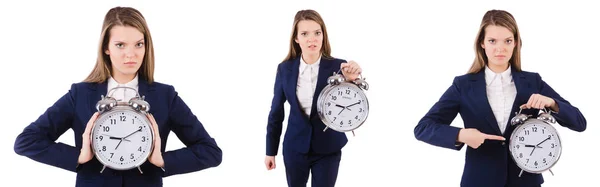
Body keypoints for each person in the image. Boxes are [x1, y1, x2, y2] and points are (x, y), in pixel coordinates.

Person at [13, 6, 222, 187]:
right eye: (120, 45)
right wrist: (79, 157)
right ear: (106, 48)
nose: (130, 54)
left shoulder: (165, 96)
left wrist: (162, 160)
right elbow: (26, 141)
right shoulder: (81, 94)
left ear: (146, 46)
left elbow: (211, 152)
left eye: (138, 44)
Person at [413, 9, 587, 187]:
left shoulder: (532, 82)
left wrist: (551, 103)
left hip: (525, 182)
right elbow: (423, 128)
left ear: (515, 43)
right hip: (479, 181)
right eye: (492, 41)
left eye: (507, 41)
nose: (500, 48)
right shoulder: (463, 85)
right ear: (482, 43)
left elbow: (580, 123)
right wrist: (461, 135)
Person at [264, 9, 363, 187]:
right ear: (296, 38)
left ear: (323, 35)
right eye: (304, 34)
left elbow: (351, 101)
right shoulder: (284, 69)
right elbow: (276, 113)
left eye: (317, 33)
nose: (312, 39)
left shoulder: (339, 67)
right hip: (295, 148)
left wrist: (352, 81)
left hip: (328, 148)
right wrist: (270, 151)